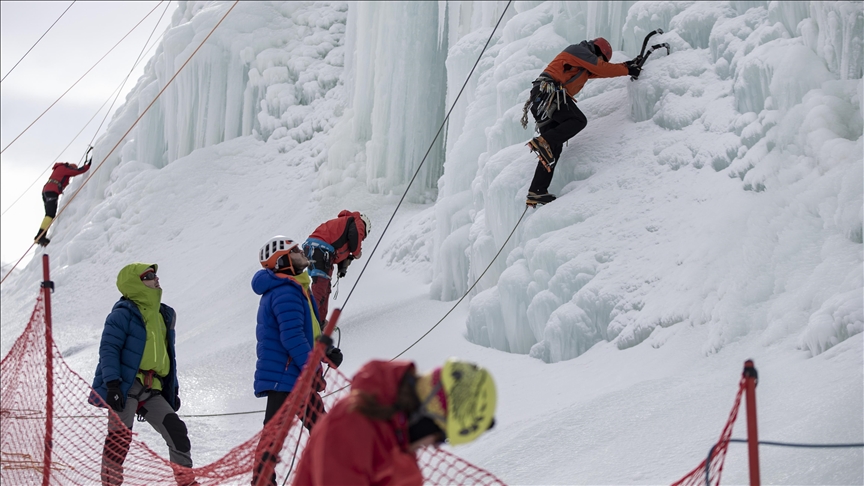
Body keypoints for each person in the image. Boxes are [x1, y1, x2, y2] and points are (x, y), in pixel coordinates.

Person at [291, 358, 497, 486]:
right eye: (439, 437)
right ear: (424, 418)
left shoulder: (398, 445)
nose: (433, 446)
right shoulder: (350, 426)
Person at [89, 263, 197, 486]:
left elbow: (168, 355)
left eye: (155, 274)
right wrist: (112, 385)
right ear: (134, 283)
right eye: (148, 276)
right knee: (119, 439)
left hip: (152, 388)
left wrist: (173, 388)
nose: (155, 278)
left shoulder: (163, 314)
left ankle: (186, 482)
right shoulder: (122, 314)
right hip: (125, 387)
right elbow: (109, 350)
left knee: (176, 431)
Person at [251, 236, 343, 486]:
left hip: (292, 375)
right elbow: (292, 338)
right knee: (278, 437)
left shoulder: (296, 288)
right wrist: (313, 368)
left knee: (313, 429)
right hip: (286, 376)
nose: (303, 252)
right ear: (282, 261)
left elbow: (308, 333)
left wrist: (326, 353)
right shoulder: (285, 292)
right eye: (296, 251)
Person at [521, 37, 641, 206]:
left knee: (553, 149)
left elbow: (602, 71)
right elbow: (601, 67)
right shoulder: (578, 50)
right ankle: (543, 141)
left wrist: (626, 66)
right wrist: (628, 69)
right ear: (597, 51)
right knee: (577, 120)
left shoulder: (582, 64)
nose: (600, 61)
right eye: (601, 58)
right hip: (549, 93)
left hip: (542, 99)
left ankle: (537, 191)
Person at [302, 211, 370, 322]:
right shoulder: (358, 221)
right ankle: (307, 321)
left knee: (324, 286)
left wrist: (342, 267)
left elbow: (340, 247)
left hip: (312, 248)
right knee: (321, 288)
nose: (362, 238)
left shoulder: (343, 224)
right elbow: (354, 238)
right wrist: (357, 253)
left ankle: (319, 321)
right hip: (321, 249)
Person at [34, 148, 92, 246]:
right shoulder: (65, 168)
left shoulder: (59, 168)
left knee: (48, 214)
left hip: (46, 191)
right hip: (52, 191)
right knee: (50, 214)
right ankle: (40, 236)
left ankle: (41, 235)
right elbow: (79, 171)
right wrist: (89, 163)